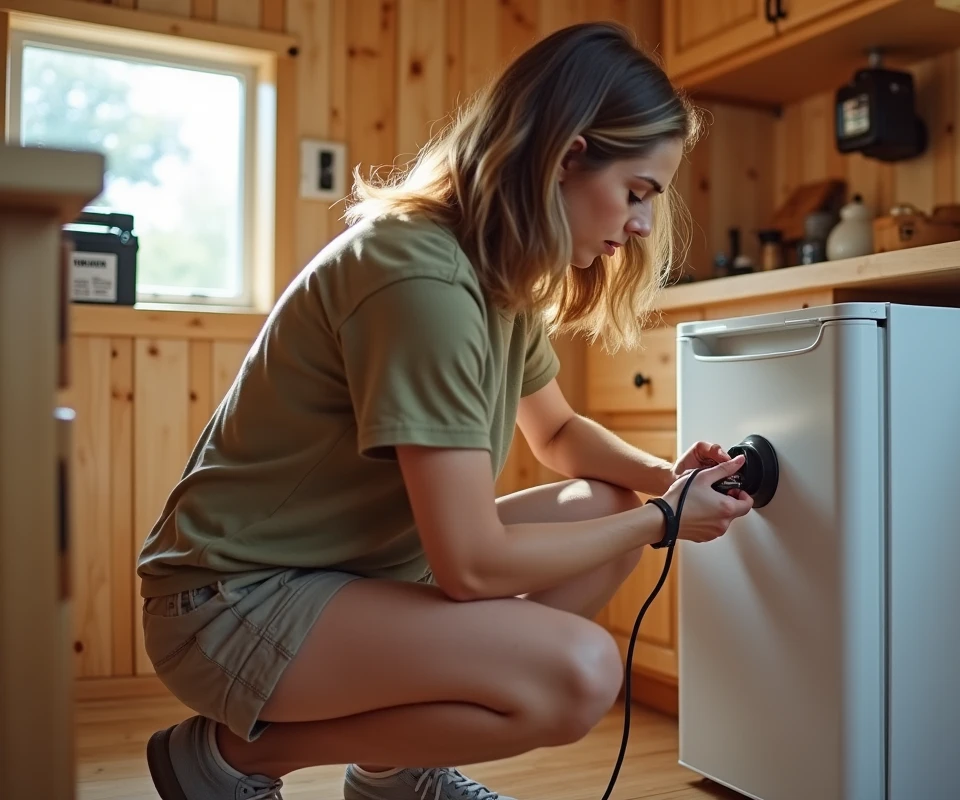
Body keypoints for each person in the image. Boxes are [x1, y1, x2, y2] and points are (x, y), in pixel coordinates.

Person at [137, 20, 755, 800]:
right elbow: (471, 567)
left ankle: (395, 774)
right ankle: (237, 758)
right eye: (635, 193)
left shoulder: (499, 275)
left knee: (602, 504)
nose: (639, 227)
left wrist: (663, 477)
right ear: (567, 156)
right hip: (231, 604)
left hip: (340, 576)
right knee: (580, 672)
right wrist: (663, 521)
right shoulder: (419, 278)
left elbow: (559, 433)